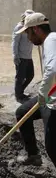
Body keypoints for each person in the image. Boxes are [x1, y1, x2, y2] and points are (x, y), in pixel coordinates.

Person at [15, 12, 56, 167]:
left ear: (36, 29)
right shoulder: (51, 40)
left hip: (52, 101)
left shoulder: (51, 40)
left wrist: (42, 93)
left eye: (28, 32)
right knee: (22, 112)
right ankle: (33, 155)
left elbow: (52, 69)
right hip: (50, 96)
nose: (28, 37)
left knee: (52, 148)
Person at [12, 10, 35, 103]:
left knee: (30, 75)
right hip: (21, 56)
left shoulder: (31, 28)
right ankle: (18, 96)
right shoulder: (19, 27)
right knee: (20, 77)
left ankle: (20, 91)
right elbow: (15, 42)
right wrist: (15, 55)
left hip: (28, 56)